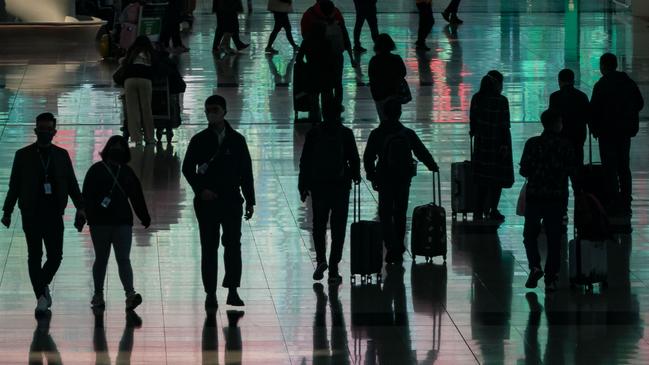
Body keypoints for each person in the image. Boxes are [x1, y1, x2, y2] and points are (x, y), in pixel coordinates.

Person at [1, 113, 85, 314]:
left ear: (54, 132)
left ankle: (41, 288)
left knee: (56, 256)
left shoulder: (62, 155)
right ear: (35, 131)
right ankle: (41, 297)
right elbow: (14, 185)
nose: (44, 133)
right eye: (41, 130)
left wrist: (81, 207)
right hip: (31, 212)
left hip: (54, 212)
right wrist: (7, 210)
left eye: (48, 130)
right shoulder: (23, 155)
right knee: (34, 256)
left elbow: (72, 184)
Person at [182, 95, 255, 310]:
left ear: (224, 111)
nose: (210, 114)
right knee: (209, 247)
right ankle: (210, 293)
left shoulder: (237, 140)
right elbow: (187, 168)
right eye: (207, 110)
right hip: (207, 203)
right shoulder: (199, 140)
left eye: (214, 109)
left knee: (233, 245)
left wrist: (250, 200)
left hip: (232, 200)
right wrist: (200, 190)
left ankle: (233, 290)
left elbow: (246, 172)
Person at [363, 100, 439, 264]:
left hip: (385, 178)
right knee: (400, 213)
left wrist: (372, 176)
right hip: (403, 178)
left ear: (384, 113)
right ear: (399, 113)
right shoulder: (406, 133)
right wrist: (432, 165)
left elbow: (368, 158)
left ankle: (391, 247)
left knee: (385, 213)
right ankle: (399, 245)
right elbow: (421, 151)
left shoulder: (377, 134)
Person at [82, 136, 151, 311]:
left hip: (108, 222)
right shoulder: (125, 172)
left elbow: (136, 195)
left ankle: (116, 295)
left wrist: (144, 215)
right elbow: (135, 196)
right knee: (115, 259)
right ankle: (117, 294)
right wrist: (143, 216)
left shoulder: (98, 170)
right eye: (116, 146)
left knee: (109, 259)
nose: (118, 150)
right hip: (109, 222)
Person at [298, 101, 360, 284]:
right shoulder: (346, 133)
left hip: (319, 187)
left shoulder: (314, 133)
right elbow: (354, 159)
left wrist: (303, 185)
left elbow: (305, 161)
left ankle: (321, 260)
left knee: (319, 225)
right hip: (340, 187)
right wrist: (354, 175)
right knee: (338, 227)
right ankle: (333, 267)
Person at [520, 109, 578, 291]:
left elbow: (524, 170)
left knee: (530, 235)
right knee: (554, 239)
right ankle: (551, 277)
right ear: (556, 124)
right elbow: (573, 171)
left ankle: (535, 266)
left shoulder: (532, 144)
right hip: (557, 198)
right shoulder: (565, 145)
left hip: (535, 196)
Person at [589, 53, 644, 216]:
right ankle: (626, 196)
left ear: (603, 66)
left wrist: (594, 128)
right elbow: (640, 103)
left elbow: (594, 110)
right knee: (623, 165)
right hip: (624, 132)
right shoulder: (628, 82)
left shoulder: (601, 85)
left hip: (606, 133)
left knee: (609, 167)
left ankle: (612, 198)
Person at [469, 70, 514, 221]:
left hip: (481, 145)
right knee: (497, 179)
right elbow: (504, 124)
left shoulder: (476, 98)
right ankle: (493, 209)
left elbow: (473, 123)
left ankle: (478, 210)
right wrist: (505, 145)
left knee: (481, 179)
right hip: (498, 144)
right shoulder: (501, 101)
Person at [548, 68, 590, 220]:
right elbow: (588, 117)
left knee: (560, 179)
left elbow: (551, 119)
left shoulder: (555, 97)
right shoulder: (582, 97)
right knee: (577, 179)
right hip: (577, 142)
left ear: (560, 81)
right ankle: (581, 209)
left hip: (559, 143)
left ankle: (562, 210)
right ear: (573, 80)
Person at [300, 0, 356, 108]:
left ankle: (315, 112)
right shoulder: (336, 14)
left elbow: (305, 38)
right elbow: (345, 36)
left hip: (314, 59)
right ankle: (334, 109)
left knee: (315, 87)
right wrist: (351, 57)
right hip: (335, 57)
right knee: (335, 84)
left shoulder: (309, 14)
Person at [296, 23, 335, 122]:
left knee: (313, 102)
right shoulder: (327, 42)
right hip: (325, 74)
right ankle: (327, 123)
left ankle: (315, 123)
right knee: (327, 102)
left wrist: (306, 66)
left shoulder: (307, 42)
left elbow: (299, 59)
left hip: (311, 74)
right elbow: (331, 60)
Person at [122, 35, 157, 145]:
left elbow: (123, 63)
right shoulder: (150, 52)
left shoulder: (131, 52)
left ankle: (136, 140)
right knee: (146, 110)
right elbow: (156, 66)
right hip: (145, 80)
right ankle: (150, 138)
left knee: (133, 112)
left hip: (129, 80)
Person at [368, 33, 407, 122]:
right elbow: (403, 73)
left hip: (380, 94)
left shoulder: (374, 60)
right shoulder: (396, 59)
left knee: (383, 119)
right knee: (394, 118)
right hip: (394, 93)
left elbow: (372, 77)